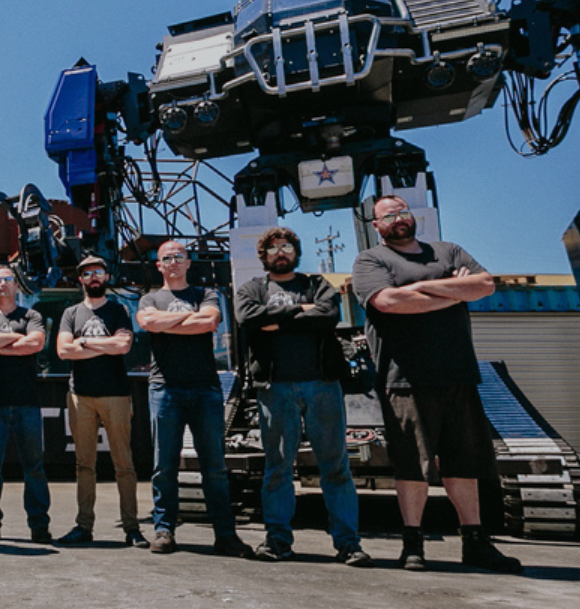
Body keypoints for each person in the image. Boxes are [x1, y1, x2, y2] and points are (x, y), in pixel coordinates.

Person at [351, 195, 523, 574]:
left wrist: (423, 291)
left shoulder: (448, 250)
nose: (398, 218)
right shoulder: (371, 260)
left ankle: (475, 542)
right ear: (376, 226)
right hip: (405, 378)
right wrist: (452, 291)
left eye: (403, 212)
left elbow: (485, 285)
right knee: (412, 463)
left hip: (458, 373)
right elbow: (389, 301)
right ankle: (413, 543)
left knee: (463, 461)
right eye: (388, 215)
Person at [234, 228, 370, 567]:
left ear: (296, 251)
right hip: (275, 388)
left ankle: (348, 544)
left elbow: (328, 315)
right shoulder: (252, 289)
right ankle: (278, 541)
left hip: (322, 384)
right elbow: (247, 317)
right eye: (273, 249)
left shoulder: (316, 283)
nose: (280, 253)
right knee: (278, 467)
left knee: (335, 466)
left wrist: (276, 320)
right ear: (263, 256)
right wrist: (301, 311)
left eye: (286, 247)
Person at [136, 240, 253, 557]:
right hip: (164, 388)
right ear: (159, 265)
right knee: (164, 466)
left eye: (179, 257)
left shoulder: (206, 294)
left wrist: (167, 323)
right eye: (166, 258)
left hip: (205, 388)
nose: (173, 262)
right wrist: (190, 319)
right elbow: (147, 323)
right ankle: (164, 531)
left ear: (188, 263)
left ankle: (225, 535)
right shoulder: (150, 298)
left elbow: (210, 321)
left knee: (214, 466)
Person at [54, 255, 144, 548]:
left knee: (124, 464)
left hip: (116, 394)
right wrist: (104, 346)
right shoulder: (71, 313)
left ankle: (132, 528)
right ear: (80, 279)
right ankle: (84, 526)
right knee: (84, 465)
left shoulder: (118, 310)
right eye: (87, 273)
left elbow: (122, 346)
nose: (93, 277)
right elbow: (63, 351)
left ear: (106, 277)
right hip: (80, 396)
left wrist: (83, 342)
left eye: (98, 272)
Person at [0, 265, 52, 545]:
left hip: (27, 401)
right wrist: (18, 339)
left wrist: (0, 348)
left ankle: (39, 524)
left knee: (34, 468)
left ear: (16, 285)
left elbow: (36, 343)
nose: (3, 283)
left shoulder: (31, 315)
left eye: (8, 279)